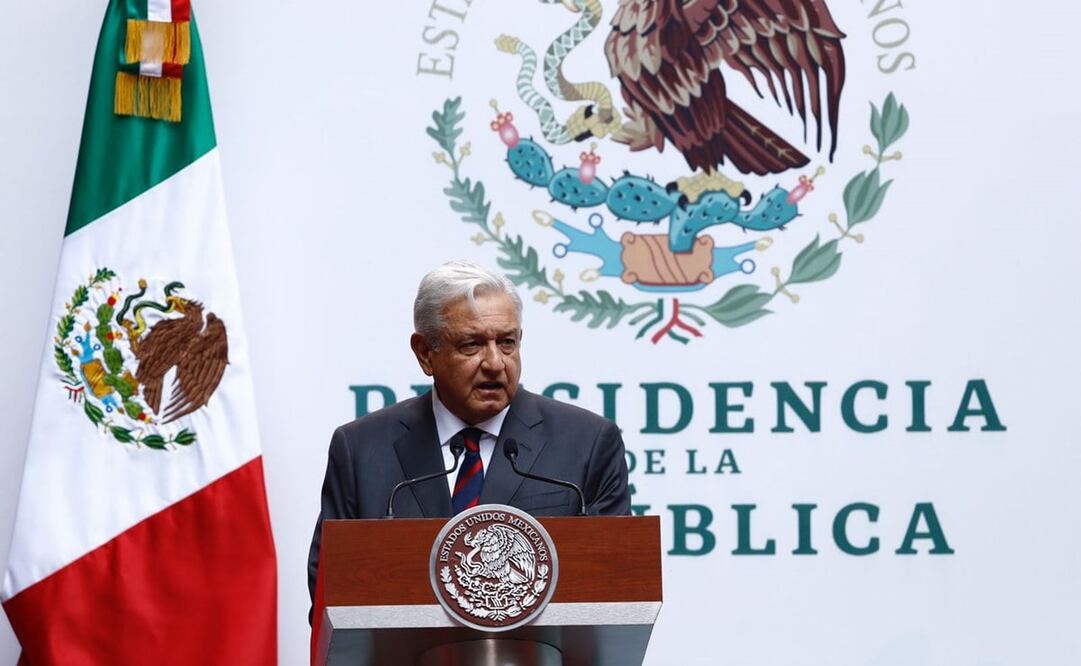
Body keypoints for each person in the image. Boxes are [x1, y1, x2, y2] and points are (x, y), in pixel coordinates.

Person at [307, 260, 630, 605]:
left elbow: (613, 588)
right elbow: (332, 594)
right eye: (471, 345)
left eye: (507, 343)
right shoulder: (362, 450)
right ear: (424, 354)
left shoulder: (587, 443)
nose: (494, 363)